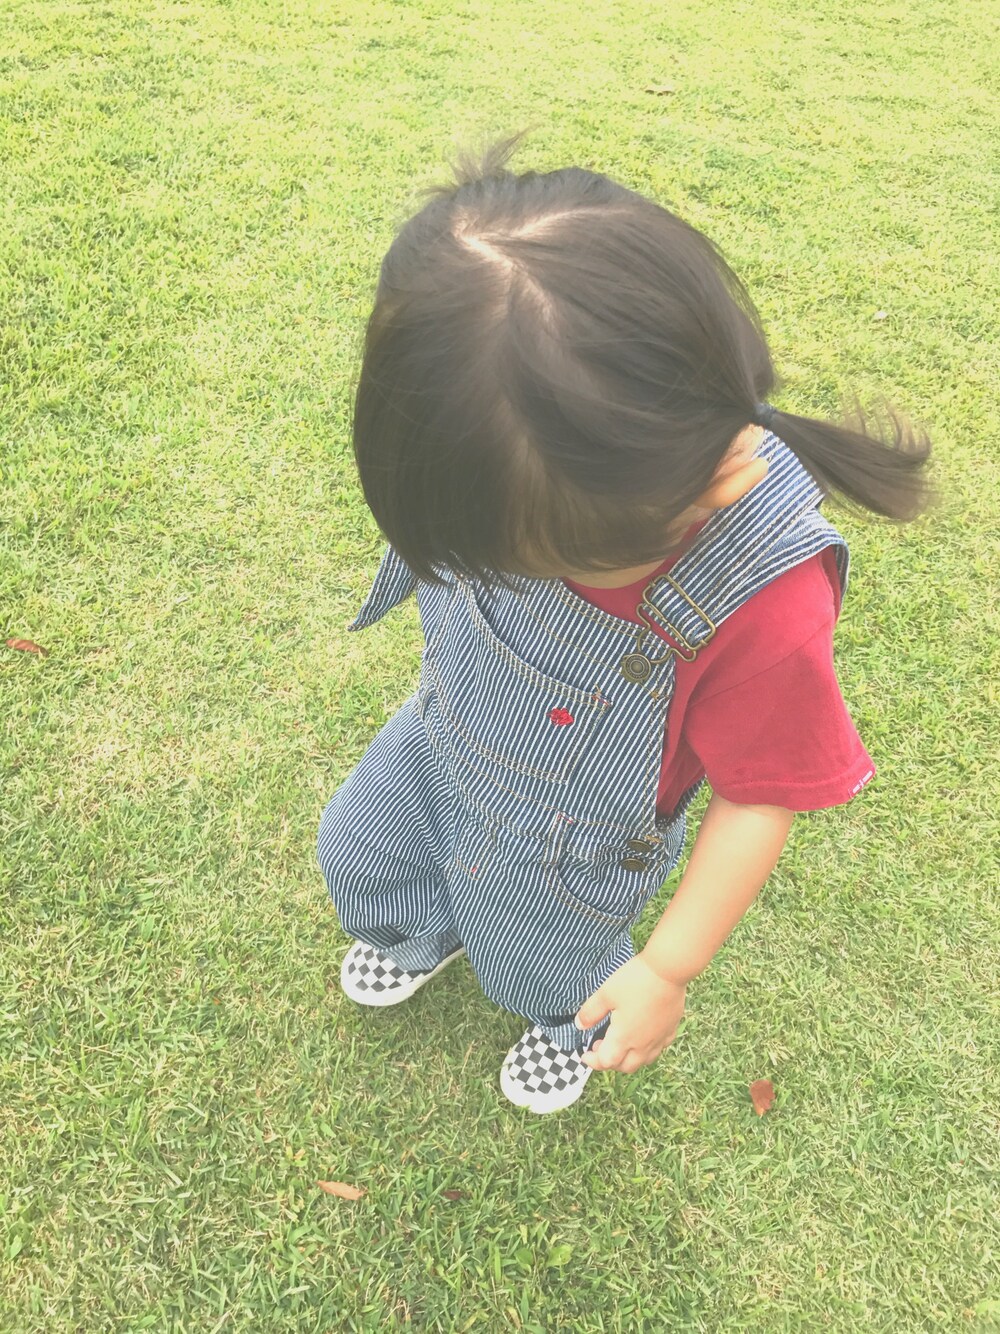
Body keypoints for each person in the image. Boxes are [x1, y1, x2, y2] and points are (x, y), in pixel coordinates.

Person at [317, 130, 932, 1114]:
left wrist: (667, 967)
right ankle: (421, 926)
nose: (500, 572)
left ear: (691, 498)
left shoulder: (762, 601)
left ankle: (568, 1019)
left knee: (541, 953)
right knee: (362, 847)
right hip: (440, 738)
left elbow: (759, 798)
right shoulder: (498, 451)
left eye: (533, 558)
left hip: (569, 837)